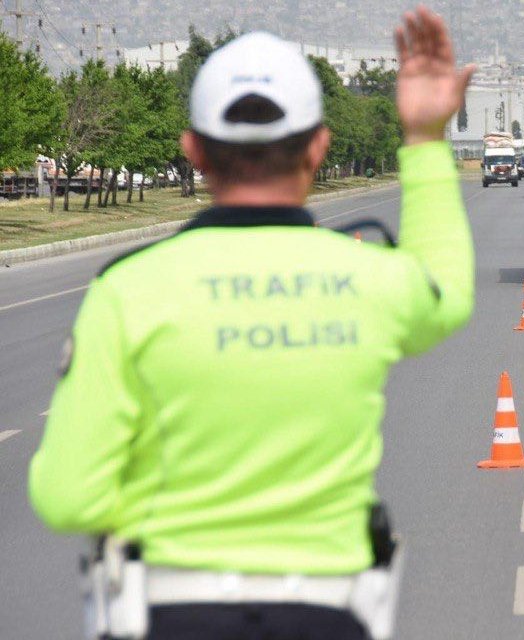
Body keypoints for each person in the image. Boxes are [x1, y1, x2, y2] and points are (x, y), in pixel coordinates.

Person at [28, 7, 475, 639]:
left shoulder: (128, 291)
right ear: (319, 147)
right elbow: (447, 292)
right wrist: (427, 139)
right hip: (328, 614)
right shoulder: (370, 279)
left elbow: (67, 497)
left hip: (169, 613)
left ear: (194, 152)